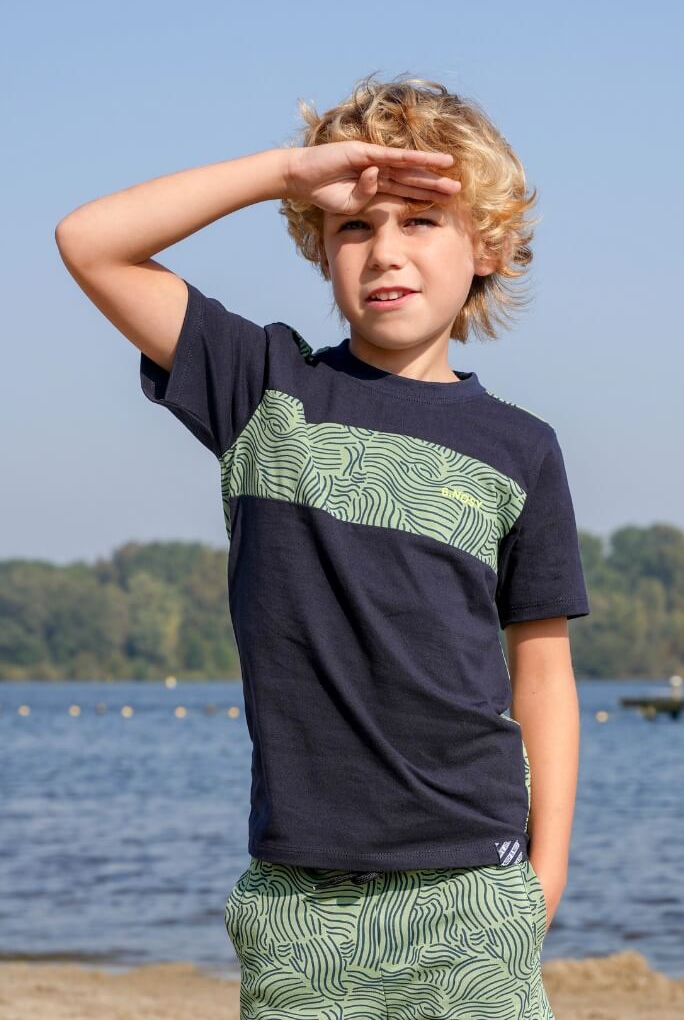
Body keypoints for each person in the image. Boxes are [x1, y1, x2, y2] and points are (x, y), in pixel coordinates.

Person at [55, 71, 590, 1020]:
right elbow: (91, 243)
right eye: (356, 226)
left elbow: (541, 670)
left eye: (421, 221)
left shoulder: (521, 448)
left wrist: (542, 881)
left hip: (475, 887)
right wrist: (285, 173)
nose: (385, 250)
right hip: (300, 902)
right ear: (322, 243)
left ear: (490, 248)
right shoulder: (263, 389)